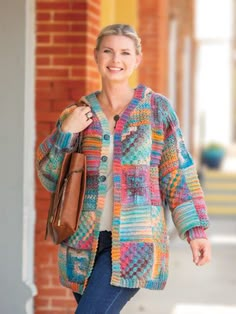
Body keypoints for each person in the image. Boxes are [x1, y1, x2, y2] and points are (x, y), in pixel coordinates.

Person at [36, 24, 211, 314]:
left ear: (136, 60)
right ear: (96, 56)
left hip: (135, 243)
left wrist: (196, 230)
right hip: (82, 246)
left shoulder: (156, 110)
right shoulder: (78, 113)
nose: (115, 59)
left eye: (124, 52)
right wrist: (66, 133)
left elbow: (177, 173)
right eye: (108, 51)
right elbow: (49, 178)